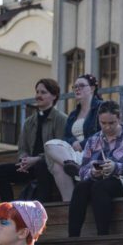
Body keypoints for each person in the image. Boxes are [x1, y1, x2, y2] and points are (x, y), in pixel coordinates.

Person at [67, 100, 123, 237]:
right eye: (103, 123)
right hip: (97, 179)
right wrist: (92, 171)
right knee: (81, 187)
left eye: (111, 123)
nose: (107, 127)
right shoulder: (93, 140)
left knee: (100, 187)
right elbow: (83, 169)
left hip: (122, 181)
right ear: (98, 120)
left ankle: (102, 235)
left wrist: (117, 167)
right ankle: (72, 236)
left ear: (119, 119)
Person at [0, 78, 68, 203]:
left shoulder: (61, 119)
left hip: (49, 166)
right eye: (37, 92)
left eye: (43, 92)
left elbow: (62, 148)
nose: (38, 95)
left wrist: (37, 159)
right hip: (30, 166)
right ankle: (9, 208)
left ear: (54, 96)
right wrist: (24, 160)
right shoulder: (29, 122)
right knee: (0, 171)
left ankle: (41, 208)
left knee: (41, 165)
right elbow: (22, 148)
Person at [43, 73, 103, 201]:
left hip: (93, 153)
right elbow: (66, 137)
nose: (77, 89)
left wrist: (81, 144)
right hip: (75, 154)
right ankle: (69, 203)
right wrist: (74, 142)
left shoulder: (101, 108)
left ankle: (76, 170)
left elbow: (104, 134)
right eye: (75, 86)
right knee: (49, 145)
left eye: (81, 86)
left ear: (92, 88)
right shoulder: (73, 114)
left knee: (57, 166)